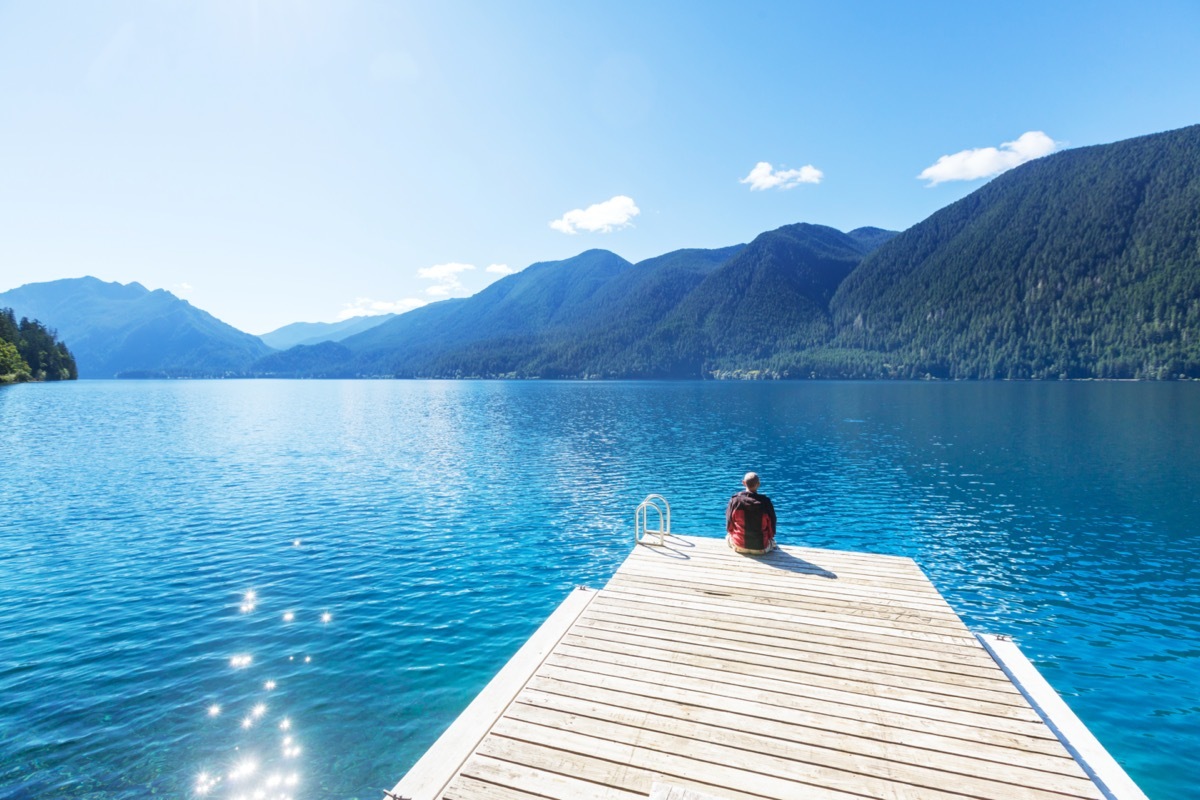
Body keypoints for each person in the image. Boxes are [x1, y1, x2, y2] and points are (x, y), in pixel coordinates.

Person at [726, 472, 777, 554]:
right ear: (758, 484)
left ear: (743, 483)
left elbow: (729, 524)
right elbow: (772, 525)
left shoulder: (735, 501)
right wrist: (769, 538)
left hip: (739, 546)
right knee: (773, 542)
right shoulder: (765, 503)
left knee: (728, 536)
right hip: (761, 548)